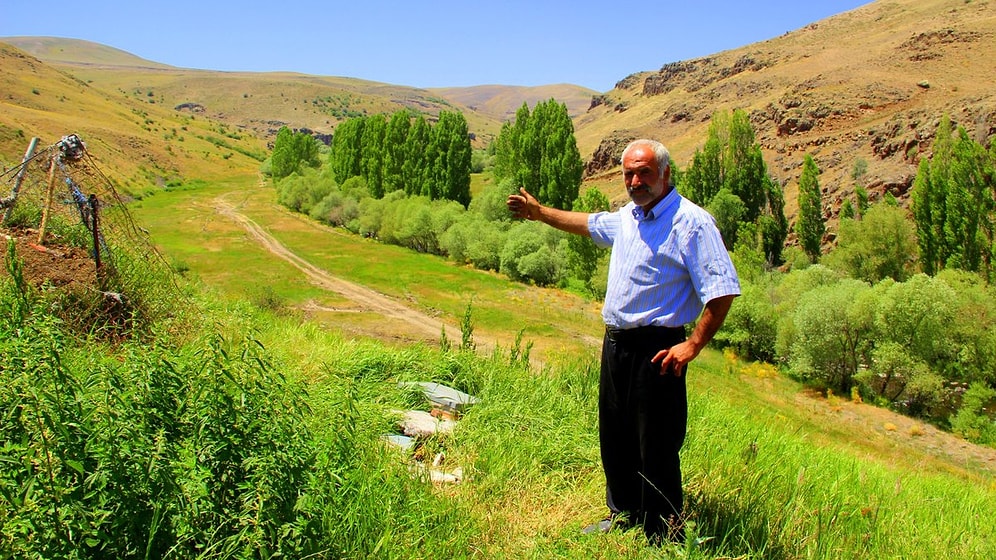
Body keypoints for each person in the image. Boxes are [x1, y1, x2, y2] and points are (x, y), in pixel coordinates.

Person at [506, 139, 740, 544]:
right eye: (629, 174)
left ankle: (662, 531)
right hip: (616, 344)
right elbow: (587, 223)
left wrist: (693, 345)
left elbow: (722, 290)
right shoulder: (629, 218)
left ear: (665, 174)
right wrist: (540, 213)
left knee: (657, 441)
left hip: (659, 348)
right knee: (616, 433)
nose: (635, 181)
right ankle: (624, 513)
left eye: (644, 172)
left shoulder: (692, 222)